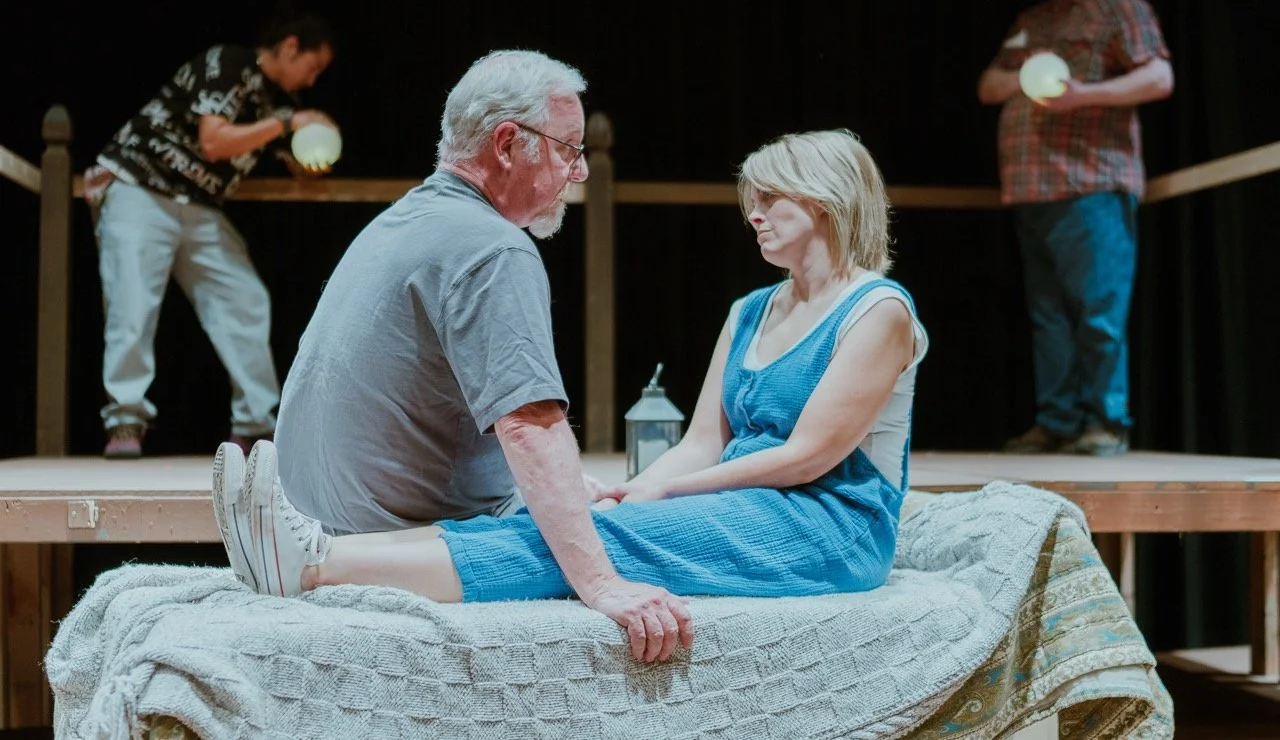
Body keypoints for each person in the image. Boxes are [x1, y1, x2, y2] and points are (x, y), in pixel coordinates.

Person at [213, 123, 929, 664]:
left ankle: (313, 564)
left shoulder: (879, 310)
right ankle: (314, 546)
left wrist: (660, 498)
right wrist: (635, 487)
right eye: (752, 198)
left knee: (604, 540)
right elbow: (699, 442)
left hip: (831, 528)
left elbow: (807, 457)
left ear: (827, 200)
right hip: (744, 504)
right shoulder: (750, 310)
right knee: (574, 520)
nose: (754, 213)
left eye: (771, 197)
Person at [86, 7, 338, 457]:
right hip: (141, 188)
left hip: (199, 209)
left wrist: (316, 145)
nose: (311, 80)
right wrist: (285, 125)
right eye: (312, 66)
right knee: (132, 303)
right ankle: (126, 421)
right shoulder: (230, 63)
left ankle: (256, 425)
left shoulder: (280, 105)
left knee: (243, 298)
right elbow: (214, 141)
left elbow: (300, 167)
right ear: (290, 46)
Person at [976, 0, 1173, 457]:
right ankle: (1058, 420)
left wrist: (1082, 95)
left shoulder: (1120, 9)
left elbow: (1159, 76)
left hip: (1090, 185)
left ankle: (1105, 422)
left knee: (1098, 308)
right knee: (1048, 316)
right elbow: (989, 85)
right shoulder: (1033, 22)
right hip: (1031, 189)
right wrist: (1028, 77)